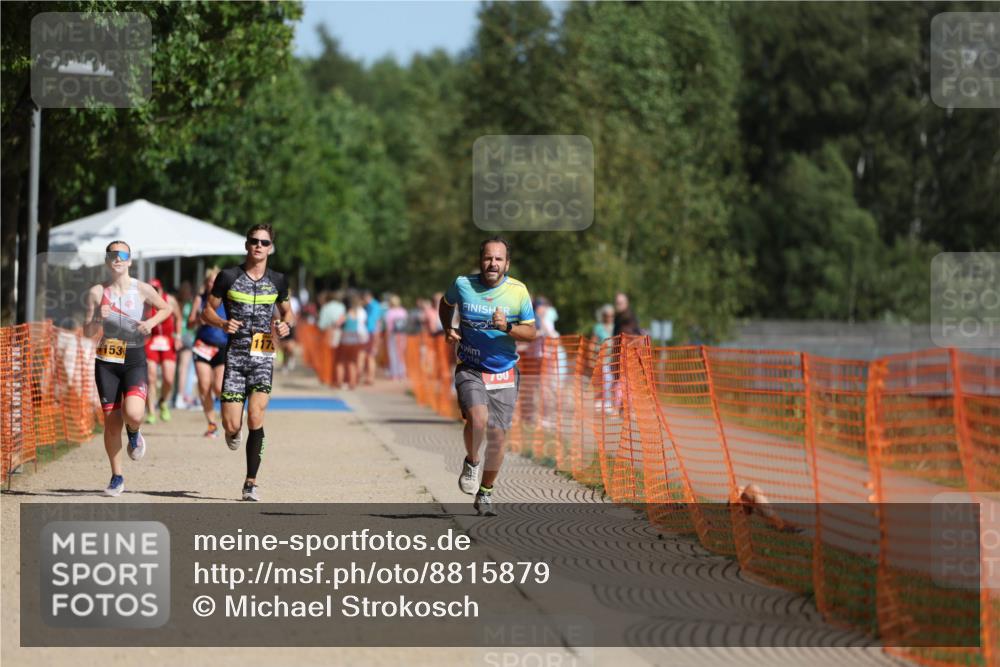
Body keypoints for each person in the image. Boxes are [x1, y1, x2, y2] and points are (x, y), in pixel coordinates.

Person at [439, 236, 536, 516]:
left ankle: (486, 492)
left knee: (497, 436)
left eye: (498, 259)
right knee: (478, 419)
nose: (493, 263)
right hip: (470, 366)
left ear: (507, 264)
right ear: (480, 260)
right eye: (488, 258)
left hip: (504, 372)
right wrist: (448, 327)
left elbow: (531, 332)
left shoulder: (518, 291)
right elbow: (445, 304)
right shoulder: (463, 285)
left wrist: (507, 328)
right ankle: (472, 461)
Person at [201, 224, 294, 501]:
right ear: (246, 245)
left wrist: (286, 325)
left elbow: (288, 313)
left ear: (270, 248)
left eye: (264, 242)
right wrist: (221, 322)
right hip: (235, 356)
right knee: (232, 425)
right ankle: (232, 432)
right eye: (254, 241)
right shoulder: (228, 276)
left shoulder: (278, 280)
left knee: (256, 415)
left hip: (263, 356)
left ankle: (251, 482)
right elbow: (206, 311)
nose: (258, 246)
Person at [83, 240, 172, 496]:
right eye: (112, 254)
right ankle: (117, 476)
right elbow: (87, 331)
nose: (118, 258)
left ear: (130, 260)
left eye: (122, 254)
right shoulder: (97, 292)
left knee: (133, 413)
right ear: (107, 260)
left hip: (134, 358)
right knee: (112, 423)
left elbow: (165, 308)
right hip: (107, 362)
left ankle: (134, 432)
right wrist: (98, 318)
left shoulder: (142, 289)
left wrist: (150, 323)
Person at [190, 267, 228, 438]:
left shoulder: (227, 299)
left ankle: (231, 410)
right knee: (204, 386)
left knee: (219, 387)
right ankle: (212, 424)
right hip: (203, 346)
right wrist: (200, 319)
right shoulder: (200, 299)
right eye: (210, 281)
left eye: (216, 281)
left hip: (222, 346)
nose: (213, 284)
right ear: (206, 283)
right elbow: (190, 323)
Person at [144, 278, 182, 424]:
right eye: (151, 289)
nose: (154, 292)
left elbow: (178, 318)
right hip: (152, 340)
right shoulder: (145, 302)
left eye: (156, 289)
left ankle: (163, 401)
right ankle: (151, 411)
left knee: (169, 378)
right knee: (151, 376)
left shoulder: (170, 300)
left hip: (167, 340)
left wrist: (178, 336)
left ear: (161, 289)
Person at [337, 292, 368, 390]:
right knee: (352, 362)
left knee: (341, 361)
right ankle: (352, 382)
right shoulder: (358, 313)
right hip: (355, 340)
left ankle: (340, 382)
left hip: (345, 340)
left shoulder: (346, 314)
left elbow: (338, 324)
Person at [174, 280, 197, 410]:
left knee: (177, 368)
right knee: (184, 368)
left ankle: (177, 396)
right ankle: (180, 396)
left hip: (176, 336)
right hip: (187, 337)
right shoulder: (190, 304)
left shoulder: (176, 303)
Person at [383, 294, 409, 380]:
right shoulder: (403, 311)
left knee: (393, 354)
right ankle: (402, 372)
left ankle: (394, 373)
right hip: (402, 335)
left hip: (393, 335)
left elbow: (388, 326)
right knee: (401, 353)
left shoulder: (389, 312)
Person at [361, 290, 383, 385]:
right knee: (369, 357)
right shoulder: (371, 306)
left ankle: (370, 377)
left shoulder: (374, 306)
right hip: (371, 333)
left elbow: (373, 322)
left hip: (372, 333)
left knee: (370, 356)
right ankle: (369, 377)